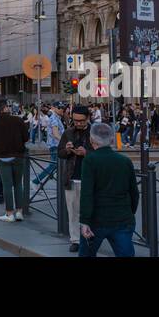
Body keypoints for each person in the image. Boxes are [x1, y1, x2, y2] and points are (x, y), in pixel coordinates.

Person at [77, 122, 139, 257]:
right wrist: (129, 212)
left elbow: (87, 193)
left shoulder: (90, 160)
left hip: (97, 219)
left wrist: (85, 221)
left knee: (86, 254)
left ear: (91, 140)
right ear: (111, 140)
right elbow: (134, 192)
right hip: (122, 218)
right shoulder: (124, 161)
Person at [57, 106, 93, 252]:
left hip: (90, 177)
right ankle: (75, 240)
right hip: (72, 176)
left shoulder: (95, 131)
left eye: (81, 121)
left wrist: (86, 153)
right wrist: (67, 149)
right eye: (75, 120)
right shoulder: (68, 132)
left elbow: (104, 151)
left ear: (88, 118)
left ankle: (90, 237)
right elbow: (60, 153)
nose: (78, 123)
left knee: (90, 210)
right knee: (72, 211)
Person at [0, 102, 28, 222]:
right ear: (7, 109)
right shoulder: (18, 121)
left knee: (7, 185)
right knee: (19, 184)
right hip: (18, 155)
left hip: (2, 157)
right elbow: (26, 137)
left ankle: (9, 213)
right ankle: (19, 211)